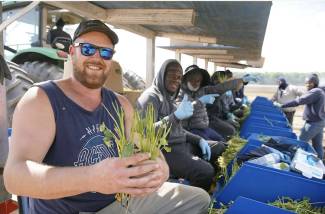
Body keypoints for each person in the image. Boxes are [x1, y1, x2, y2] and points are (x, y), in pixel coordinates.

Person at [4, 20, 210, 214]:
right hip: (68, 210)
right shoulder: (42, 99)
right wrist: (91, 178)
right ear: (72, 51)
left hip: (118, 201)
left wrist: (161, 167)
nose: (96, 57)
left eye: (105, 52)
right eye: (87, 49)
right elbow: (15, 178)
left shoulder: (120, 104)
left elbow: (148, 145)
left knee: (199, 199)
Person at [136, 59, 227, 192]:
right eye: (172, 75)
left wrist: (198, 139)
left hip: (181, 144)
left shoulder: (169, 97)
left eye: (179, 77)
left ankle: (213, 187)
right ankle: (194, 201)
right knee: (205, 171)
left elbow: (179, 129)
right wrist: (175, 117)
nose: (176, 79)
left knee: (219, 147)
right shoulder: (151, 97)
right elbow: (144, 133)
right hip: (165, 150)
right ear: (162, 75)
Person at [278, 74, 325, 160]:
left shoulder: (316, 92)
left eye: (309, 83)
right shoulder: (320, 91)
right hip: (319, 121)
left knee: (299, 142)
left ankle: (292, 161)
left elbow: (300, 100)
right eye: (306, 83)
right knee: (317, 145)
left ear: (315, 83)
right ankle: (320, 164)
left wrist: (283, 105)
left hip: (314, 123)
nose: (307, 85)